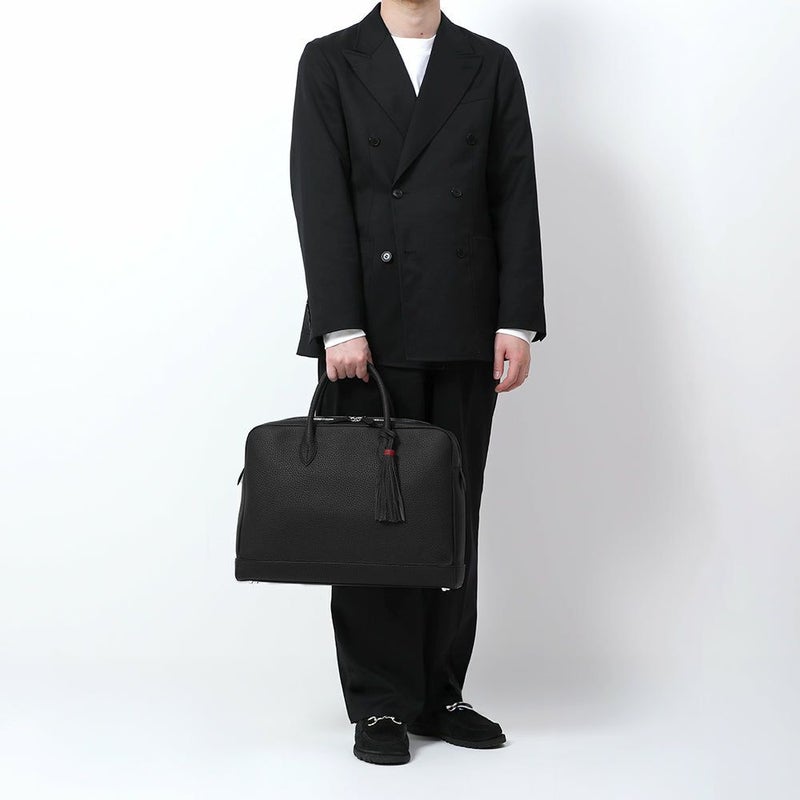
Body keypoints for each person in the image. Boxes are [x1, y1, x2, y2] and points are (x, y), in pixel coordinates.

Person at [289, 0, 545, 765]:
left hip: (464, 322)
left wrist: (517, 318)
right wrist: (339, 324)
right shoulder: (330, 59)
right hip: (370, 329)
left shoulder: (488, 62)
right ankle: (378, 702)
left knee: (452, 515)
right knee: (372, 520)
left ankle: (440, 692)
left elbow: (514, 189)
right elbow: (318, 193)